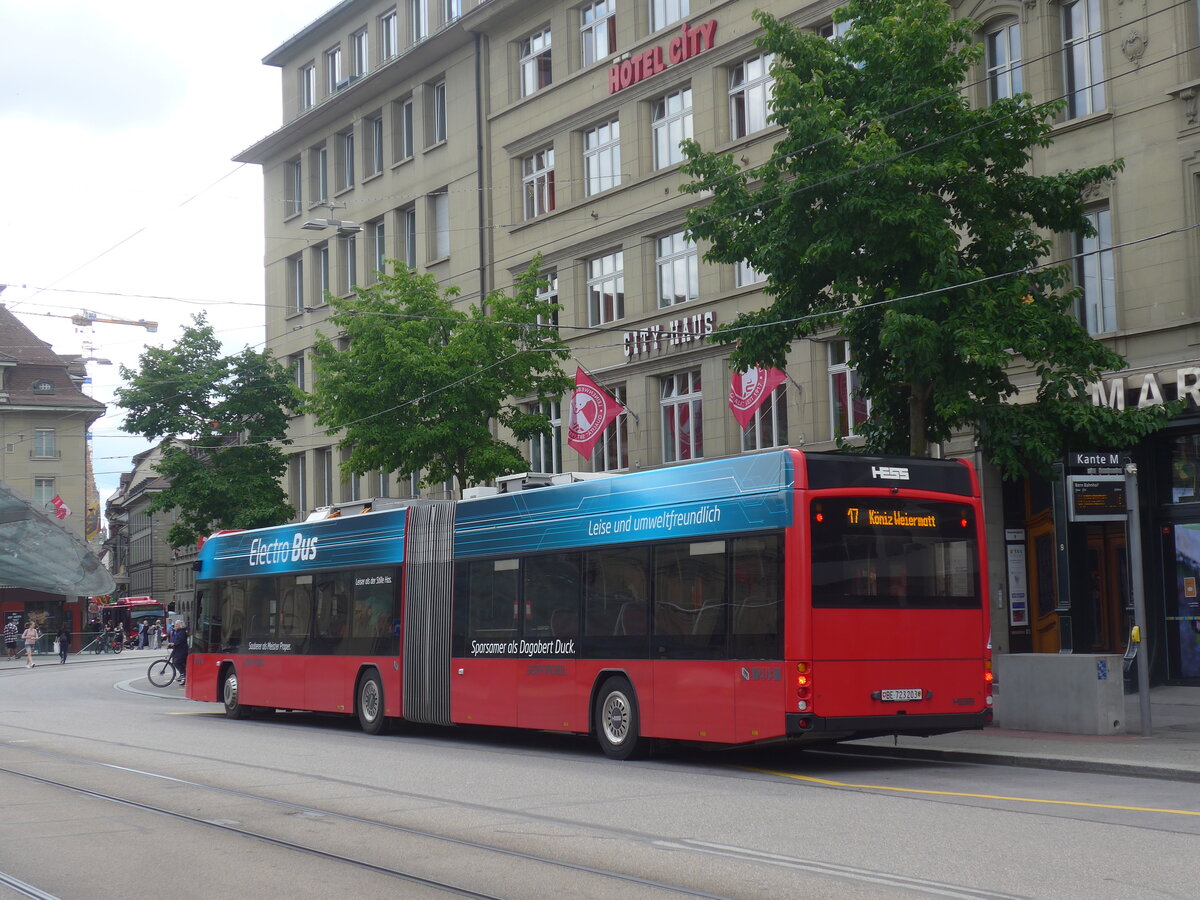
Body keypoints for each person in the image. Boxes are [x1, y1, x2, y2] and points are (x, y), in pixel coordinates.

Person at [169, 620, 189, 684]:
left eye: (176, 625)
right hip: (178, 650)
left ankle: (183, 674)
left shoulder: (182, 632)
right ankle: (183, 674)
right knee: (176, 661)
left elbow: (180, 641)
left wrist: (174, 644)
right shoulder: (179, 631)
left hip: (182, 650)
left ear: (180, 626)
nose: (175, 626)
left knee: (177, 662)